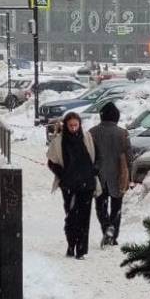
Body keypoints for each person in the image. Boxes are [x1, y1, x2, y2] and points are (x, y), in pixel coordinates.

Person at [45, 111, 99, 259]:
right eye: (71, 125)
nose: (74, 128)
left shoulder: (87, 137)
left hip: (86, 184)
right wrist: (62, 174)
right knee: (71, 216)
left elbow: (96, 156)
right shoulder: (59, 141)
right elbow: (51, 161)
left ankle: (81, 250)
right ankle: (71, 244)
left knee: (84, 217)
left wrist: (94, 169)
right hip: (69, 184)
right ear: (66, 125)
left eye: (76, 125)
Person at [89, 102, 132, 247]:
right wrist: (129, 177)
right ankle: (113, 235)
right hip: (118, 176)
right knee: (116, 207)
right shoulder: (122, 133)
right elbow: (129, 157)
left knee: (100, 206)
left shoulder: (92, 132)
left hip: (98, 176)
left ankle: (107, 227)